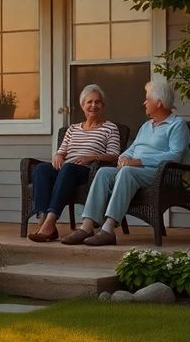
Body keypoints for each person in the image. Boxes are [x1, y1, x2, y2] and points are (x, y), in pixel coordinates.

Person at [61, 79, 190, 246]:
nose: (144, 103)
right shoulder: (146, 126)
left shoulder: (177, 125)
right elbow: (134, 147)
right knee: (104, 173)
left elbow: (175, 155)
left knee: (127, 172)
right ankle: (87, 226)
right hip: (136, 170)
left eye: (147, 99)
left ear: (159, 103)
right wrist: (123, 157)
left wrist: (138, 161)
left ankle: (108, 229)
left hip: (159, 173)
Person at [27, 84, 121, 242]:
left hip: (88, 171)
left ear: (103, 105)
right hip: (67, 169)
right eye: (89, 102)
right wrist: (58, 154)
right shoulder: (72, 129)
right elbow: (62, 151)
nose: (93, 105)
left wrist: (93, 157)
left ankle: (50, 222)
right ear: (82, 105)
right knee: (41, 168)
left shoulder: (110, 128)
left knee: (69, 168)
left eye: (97, 102)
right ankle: (43, 220)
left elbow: (114, 156)